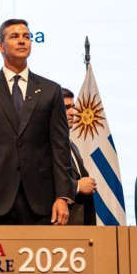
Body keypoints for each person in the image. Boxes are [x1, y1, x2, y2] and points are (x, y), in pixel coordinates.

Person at [0, 19, 74, 225]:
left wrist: (63, 196)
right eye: (14, 37)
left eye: (27, 37)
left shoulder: (51, 90)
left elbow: (60, 148)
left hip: (43, 200)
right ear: (1, 46)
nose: (22, 41)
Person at [63, 88, 97, 225]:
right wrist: (76, 187)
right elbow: (37, 185)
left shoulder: (72, 146)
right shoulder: (41, 145)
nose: (73, 112)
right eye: (66, 108)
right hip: (58, 227)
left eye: (73, 107)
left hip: (81, 227)